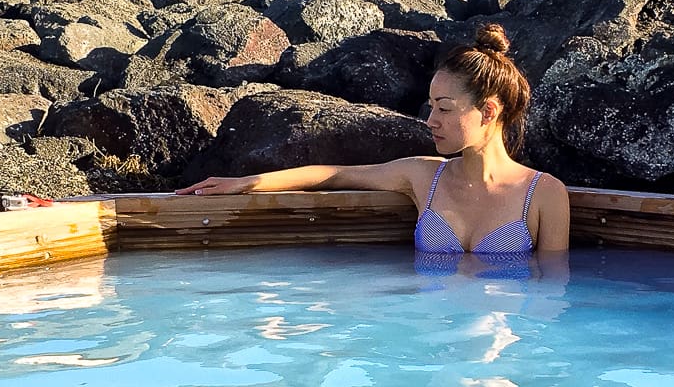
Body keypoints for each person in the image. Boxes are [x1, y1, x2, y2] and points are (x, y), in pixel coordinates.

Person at [176, 23, 571, 255]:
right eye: (430, 105)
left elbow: (555, 293)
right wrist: (248, 183)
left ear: (488, 111)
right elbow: (334, 175)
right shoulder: (423, 176)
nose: (430, 120)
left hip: (502, 349)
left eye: (445, 108)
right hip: (428, 336)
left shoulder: (543, 194)